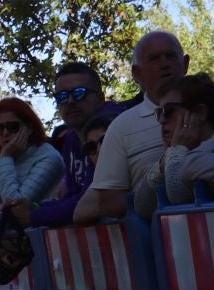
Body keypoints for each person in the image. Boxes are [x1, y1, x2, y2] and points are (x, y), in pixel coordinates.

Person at [75, 31, 188, 221]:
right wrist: (152, 192)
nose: (164, 64)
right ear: (136, 73)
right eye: (154, 59)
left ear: (185, 64)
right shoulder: (120, 128)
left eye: (170, 56)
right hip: (155, 244)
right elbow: (108, 203)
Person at [36, 62, 123, 226]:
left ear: (100, 98)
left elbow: (90, 199)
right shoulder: (71, 139)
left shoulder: (112, 127)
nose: (70, 101)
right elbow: (72, 194)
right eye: (61, 96)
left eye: (79, 93)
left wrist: (33, 215)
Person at [148, 73, 214, 208]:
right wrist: (166, 159)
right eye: (159, 113)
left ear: (200, 112)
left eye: (168, 110)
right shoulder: (177, 154)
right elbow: (142, 204)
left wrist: (177, 150)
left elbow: (179, 196)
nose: (161, 120)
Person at [0, 96, 65, 225]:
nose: (5, 133)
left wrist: (5, 158)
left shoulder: (49, 158)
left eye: (12, 127)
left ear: (29, 128)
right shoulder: (9, 158)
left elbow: (17, 207)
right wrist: (3, 219)